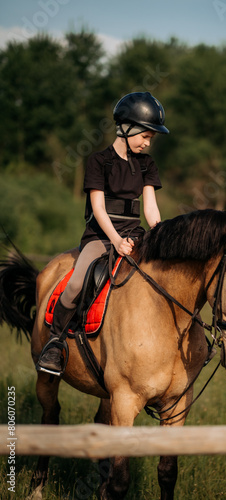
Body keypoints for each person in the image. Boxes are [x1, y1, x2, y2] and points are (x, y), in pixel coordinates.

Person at [37, 91, 169, 375]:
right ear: (126, 128)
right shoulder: (99, 161)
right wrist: (116, 241)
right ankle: (55, 343)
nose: (147, 143)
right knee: (74, 285)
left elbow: (150, 208)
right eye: (145, 136)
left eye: (151, 139)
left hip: (135, 235)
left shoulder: (147, 165)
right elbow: (98, 208)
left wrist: (160, 234)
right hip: (101, 237)